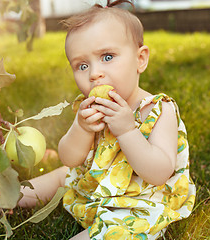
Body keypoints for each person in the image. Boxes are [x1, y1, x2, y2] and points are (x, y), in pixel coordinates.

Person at [18, 0, 196, 239]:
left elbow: (159, 172)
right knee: (65, 175)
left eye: (108, 57)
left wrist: (127, 131)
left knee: (116, 231)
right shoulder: (90, 108)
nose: (94, 74)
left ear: (140, 59)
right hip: (96, 184)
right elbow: (70, 159)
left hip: (139, 201)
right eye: (82, 65)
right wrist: (81, 128)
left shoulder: (158, 110)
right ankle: (9, 197)